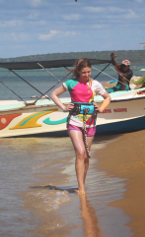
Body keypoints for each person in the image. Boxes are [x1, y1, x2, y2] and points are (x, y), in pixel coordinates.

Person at [50, 58, 111, 195]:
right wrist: (63, 107)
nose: (87, 75)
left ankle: (82, 185)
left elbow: (108, 97)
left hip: (90, 123)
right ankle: (81, 189)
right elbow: (53, 94)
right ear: (78, 71)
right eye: (84, 72)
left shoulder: (95, 84)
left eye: (89, 72)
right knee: (80, 152)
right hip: (74, 122)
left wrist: (101, 108)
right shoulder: (71, 83)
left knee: (86, 156)